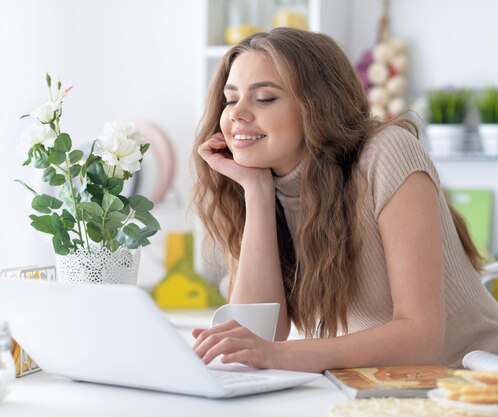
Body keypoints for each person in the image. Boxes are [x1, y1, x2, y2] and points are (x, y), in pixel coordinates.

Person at [191, 27, 498, 372]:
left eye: (264, 98)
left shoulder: (386, 154)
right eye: (231, 99)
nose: (237, 114)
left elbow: (421, 339)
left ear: (317, 106)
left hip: (474, 382)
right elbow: (258, 334)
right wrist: (257, 192)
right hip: (375, 387)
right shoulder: (260, 181)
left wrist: (278, 355)